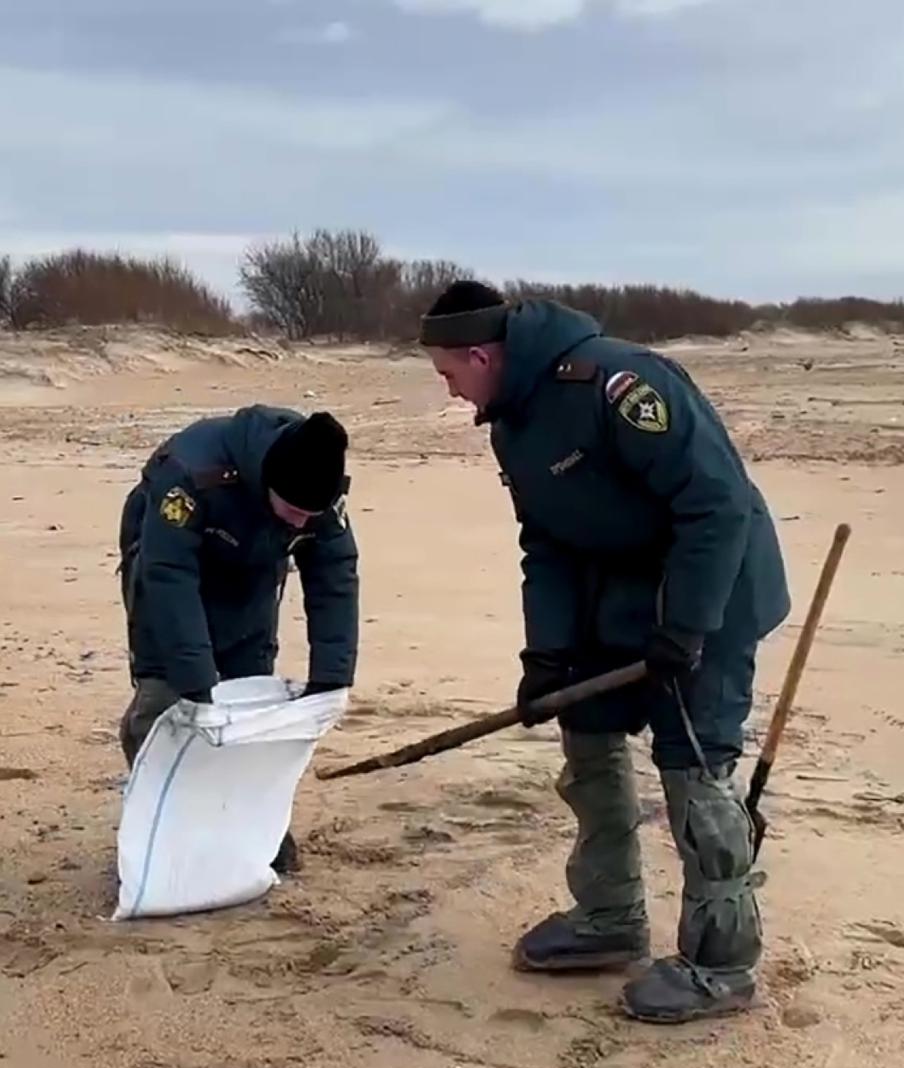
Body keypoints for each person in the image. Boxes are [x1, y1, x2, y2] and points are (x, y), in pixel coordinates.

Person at [418, 281, 790, 1024]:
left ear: (483, 355)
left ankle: (721, 963)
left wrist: (686, 628)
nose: (451, 392)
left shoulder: (621, 385)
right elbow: (546, 543)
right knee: (587, 744)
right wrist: (547, 655)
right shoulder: (513, 423)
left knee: (695, 773)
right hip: (615, 600)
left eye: (449, 373)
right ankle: (609, 917)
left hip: (708, 593)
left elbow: (714, 506)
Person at [117, 404, 359, 873]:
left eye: (311, 517)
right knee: (167, 698)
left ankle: (246, 825)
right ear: (267, 480)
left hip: (251, 566)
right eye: (293, 511)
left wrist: (332, 679)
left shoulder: (318, 498)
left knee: (248, 689)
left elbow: (335, 575)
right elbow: (169, 577)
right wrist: (196, 684)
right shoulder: (190, 473)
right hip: (165, 558)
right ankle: (170, 824)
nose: (301, 524)